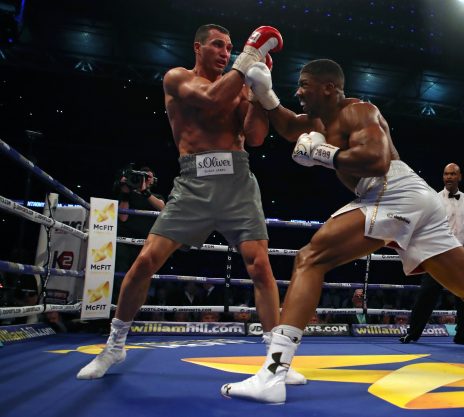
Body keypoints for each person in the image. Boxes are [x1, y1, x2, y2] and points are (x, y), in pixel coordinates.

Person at [220, 58, 464, 403]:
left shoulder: (359, 111)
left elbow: (378, 161)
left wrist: (323, 155)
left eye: (304, 85)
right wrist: (263, 92)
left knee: (309, 258)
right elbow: (287, 126)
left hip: (393, 190)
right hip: (415, 201)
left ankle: (273, 374)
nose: (298, 91)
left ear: (329, 88)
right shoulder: (317, 121)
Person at [77, 23, 305, 385]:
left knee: (260, 266)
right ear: (197, 47)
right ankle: (115, 344)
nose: (225, 51)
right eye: (217, 44)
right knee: (145, 261)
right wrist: (248, 58)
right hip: (193, 182)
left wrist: (262, 93)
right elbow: (212, 98)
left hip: (238, 182)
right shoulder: (177, 78)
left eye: (230, 47)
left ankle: (276, 362)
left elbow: (257, 138)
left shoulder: (240, 84)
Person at [399, 162, 464, 346]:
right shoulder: (433, 199)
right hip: (439, 251)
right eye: (446, 174)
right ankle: (412, 333)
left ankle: (462, 335)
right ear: (443, 177)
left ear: (459, 177)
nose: (449, 177)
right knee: (427, 293)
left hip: (463, 251)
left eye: (452, 174)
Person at [114, 165, 165, 302]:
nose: (145, 179)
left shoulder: (156, 197)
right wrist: (125, 191)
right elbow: (123, 217)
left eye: (148, 177)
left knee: (142, 278)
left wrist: (145, 192)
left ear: (153, 180)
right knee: (122, 275)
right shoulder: (128, 194)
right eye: (143, 176)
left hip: (146, 244)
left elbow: (163, 208)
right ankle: (118, 308)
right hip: (125, 242)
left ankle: (136, 309)